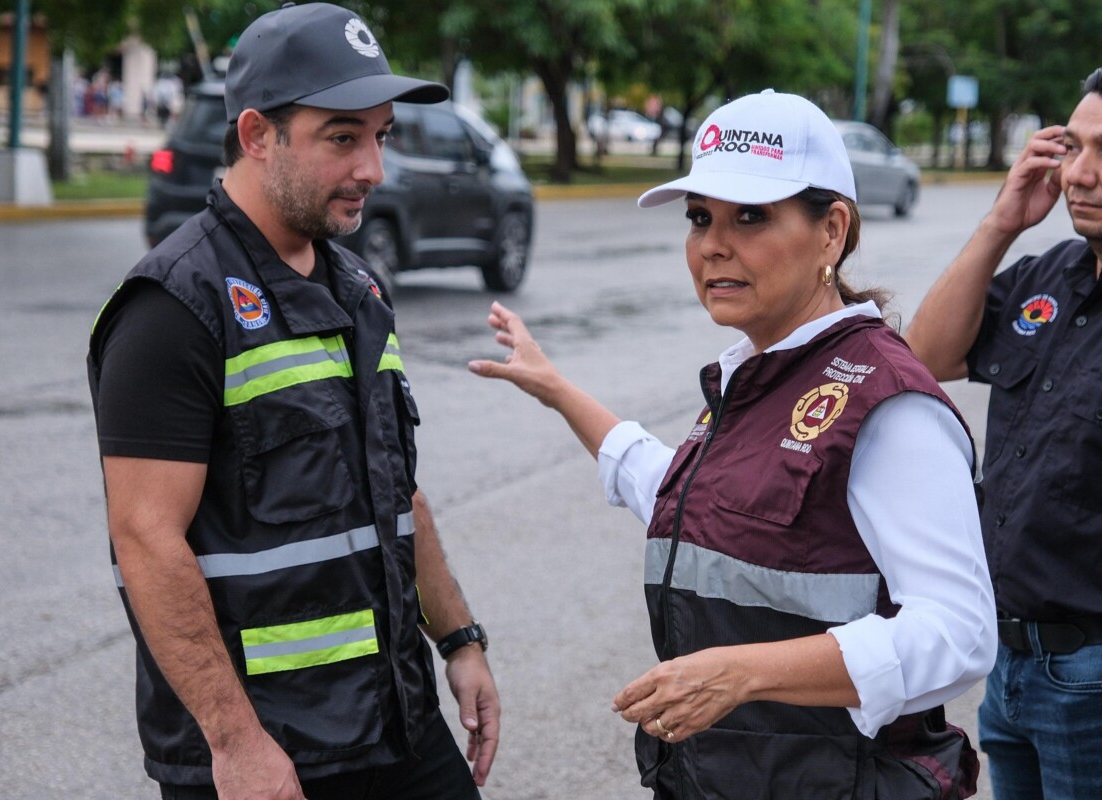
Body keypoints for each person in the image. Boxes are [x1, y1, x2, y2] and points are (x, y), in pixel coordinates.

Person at [469, 89, 995, 799]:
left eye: (751, 216)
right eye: (700, 218)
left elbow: (960, 634)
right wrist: (559, 390)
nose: (714, 244)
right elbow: (690, 501)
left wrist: (743, 672)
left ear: (832, 232)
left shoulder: (886, 403)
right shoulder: (757, 369)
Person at [86, 5, 498, 799]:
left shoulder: (360, 288)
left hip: (396, 724)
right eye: (342, 138)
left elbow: (396, 491)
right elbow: (145, 538)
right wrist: (236, 742)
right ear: (256, 135)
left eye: (381, 136)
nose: (372, 168)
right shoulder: (173, 308)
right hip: (269, 751)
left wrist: (459, 640)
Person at [904, 69, 1102, 800]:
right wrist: (1000, 224)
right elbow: (925, 357)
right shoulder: (1048, 274)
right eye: (1072, 147)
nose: (1080, 174)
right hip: (1010, 666)